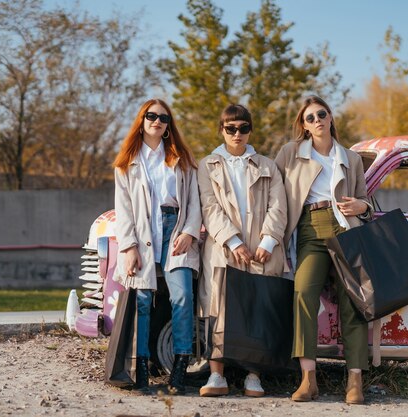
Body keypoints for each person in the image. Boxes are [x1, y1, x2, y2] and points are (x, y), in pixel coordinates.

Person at [274, 95, 372, 404]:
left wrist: (362, 205)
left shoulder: (350, 158)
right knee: (303, 294)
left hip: (346, 227)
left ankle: (355, 380)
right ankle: (308, 379)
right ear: (303, 126)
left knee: (354, 301)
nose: (316, 120)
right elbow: (272, 190)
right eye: (309, 118)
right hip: (309, 227)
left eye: (321, 114)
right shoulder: (290, 153)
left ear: (330, 118)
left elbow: (366, 201)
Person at [197, 104, 288, 398]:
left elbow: (279, 206)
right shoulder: (208, 165)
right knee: (219, 309)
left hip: (261, 249)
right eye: (231, 128)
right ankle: (216, 375)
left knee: (257, 308)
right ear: (221, 130)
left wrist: (268, 241)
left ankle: (253, 376)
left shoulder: (267, 165)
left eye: (243, 128)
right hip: (224, 248)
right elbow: (209, 208)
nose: (237, 134)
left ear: (250, 129)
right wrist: (233, 241)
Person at [113, 98, 201, 395]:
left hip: (175, 228)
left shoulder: (182, 158)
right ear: (142, 120)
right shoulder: (127, 162)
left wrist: (189, 232)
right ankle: (141, 371)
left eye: (163, 118)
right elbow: (123, 209)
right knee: (142, 302)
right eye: (151, 116)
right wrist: (129, 247)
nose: (157, 121)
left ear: (168, 125)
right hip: (143, 234)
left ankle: (179, 369)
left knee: (183, 298)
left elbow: (194, 203)